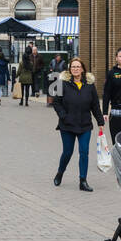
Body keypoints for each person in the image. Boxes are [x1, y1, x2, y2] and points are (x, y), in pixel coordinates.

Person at [52, 56, 105, 192]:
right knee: (67, 152)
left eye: (78, 67)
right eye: (73, 67)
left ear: (82, 69)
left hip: (85, 125)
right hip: (67, 125)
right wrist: (63, 116)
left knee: (84, 152)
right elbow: (56, 102)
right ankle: (60, 172)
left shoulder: (89, 85)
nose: (75, 69)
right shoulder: (62, 83)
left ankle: (83, 181)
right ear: (70, 69)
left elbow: (94, 105)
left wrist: (100, 121)